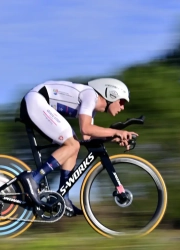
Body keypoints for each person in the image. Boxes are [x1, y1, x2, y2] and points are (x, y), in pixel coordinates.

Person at [17, 78, 138, 217]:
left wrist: (115, 138)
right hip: (35, 101)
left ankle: (63, 198)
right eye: (122, 102)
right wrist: (116, 132)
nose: (123, 107)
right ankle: (34, 178)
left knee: (75, 145)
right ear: (111, 94)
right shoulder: (90, 95)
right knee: (72, 144)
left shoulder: (91, 110)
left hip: (39, 103)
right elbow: (86, 128)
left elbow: (87, 138)